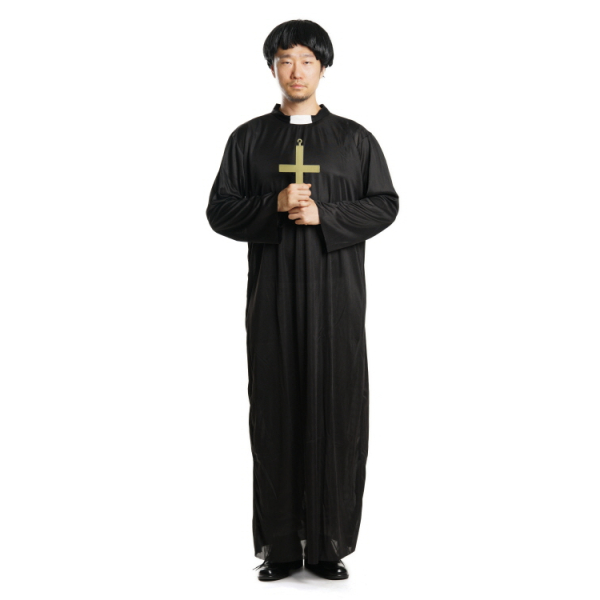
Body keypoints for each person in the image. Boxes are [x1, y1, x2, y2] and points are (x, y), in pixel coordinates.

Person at [206, 19, 399, 582]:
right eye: (285, 60)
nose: (296, 71)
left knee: (337, 411)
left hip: (337, 301)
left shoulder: (355, 140)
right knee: (275, 414)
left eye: (307, 61)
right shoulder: (247, 139)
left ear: (323, 67)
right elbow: (219, 210)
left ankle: (328, 545)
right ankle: (282, 547)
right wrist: (274, 203)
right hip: (273, 301)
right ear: (273, 68)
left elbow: (385, 203)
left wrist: (326, 215)